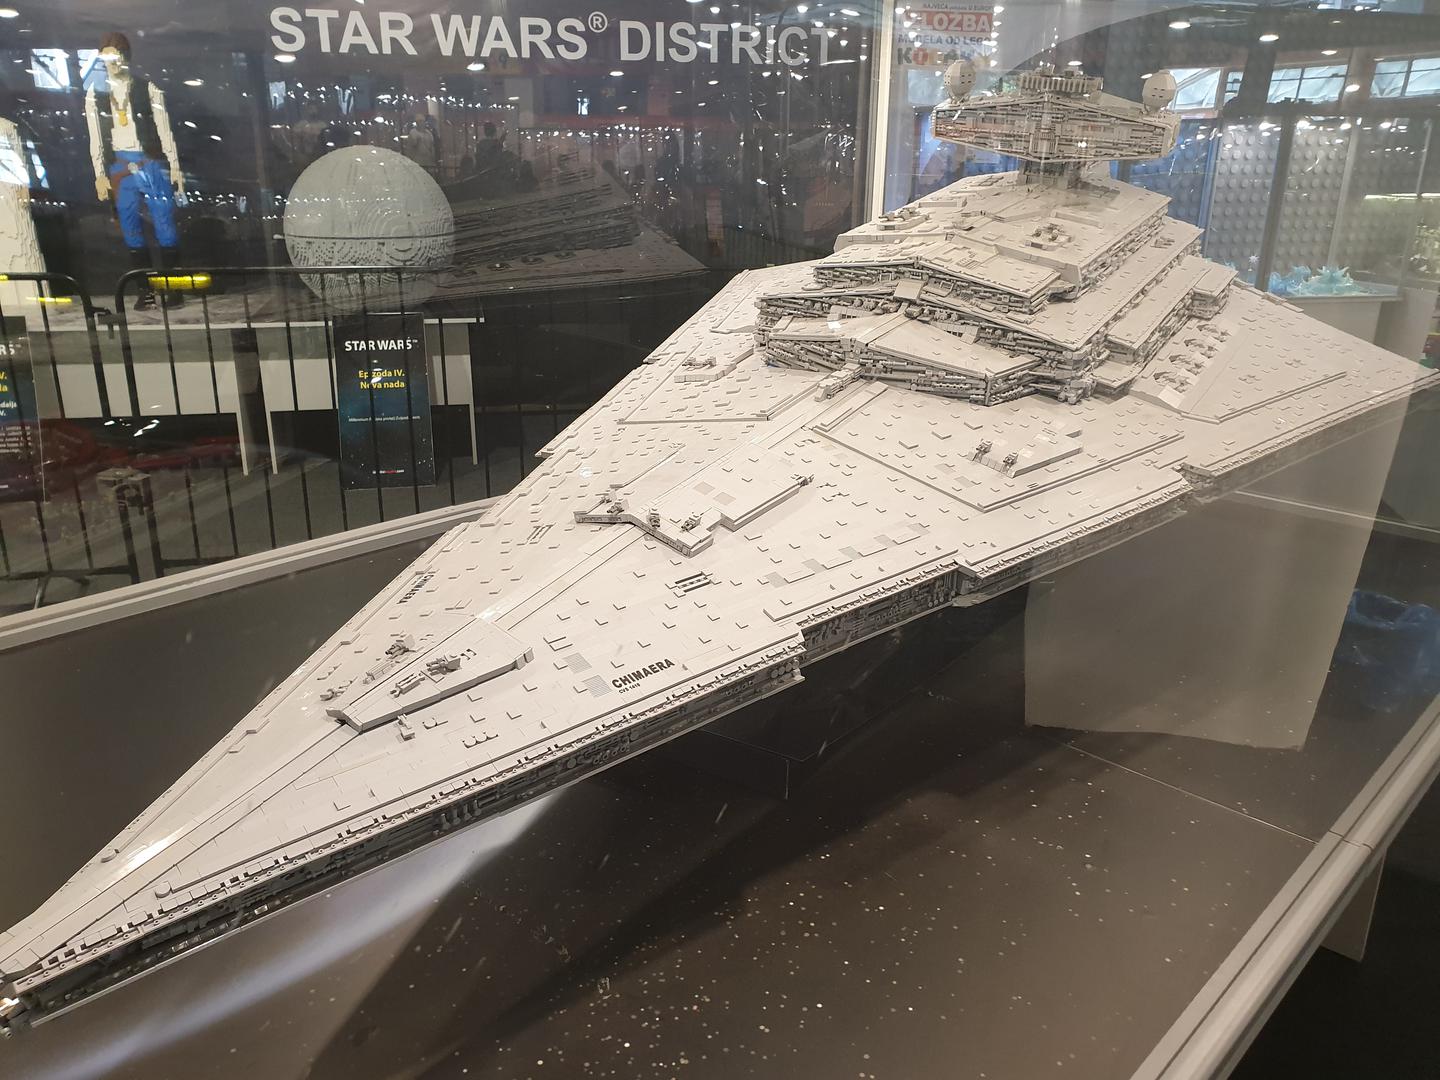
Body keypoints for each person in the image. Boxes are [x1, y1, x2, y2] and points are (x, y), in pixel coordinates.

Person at [84, 31, 186, 309]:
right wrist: (99, 174)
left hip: (150, 161)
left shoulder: (147, 89)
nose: (112, 63)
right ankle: (146, 290)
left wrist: (174, 167)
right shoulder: (95, 95)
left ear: (126, 57)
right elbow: (95, 137)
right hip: (120, 164)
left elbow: (165, 131)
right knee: (130, 227)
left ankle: (174, 288)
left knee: (165, 225)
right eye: (106, 58)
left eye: (116, 57)